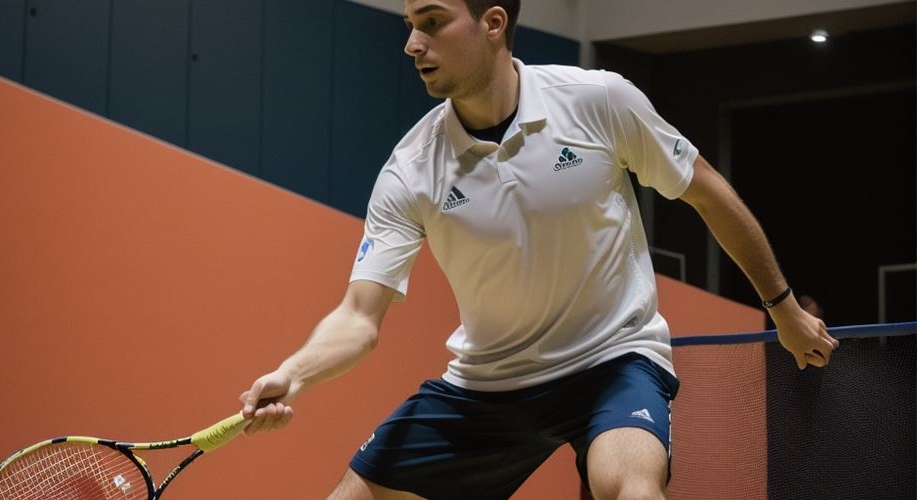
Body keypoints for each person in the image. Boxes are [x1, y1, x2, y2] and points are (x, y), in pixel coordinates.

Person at [238, 1, 840, 498]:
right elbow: (358, 317)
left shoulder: (599, 101)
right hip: (487, 382)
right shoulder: (411, 170)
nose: (411, 44)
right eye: (409, 27)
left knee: (630, 488)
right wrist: (293, 374)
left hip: (613, 359)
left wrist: (783, 307)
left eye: (431, 22)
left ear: (493, 24)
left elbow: (707, 193)